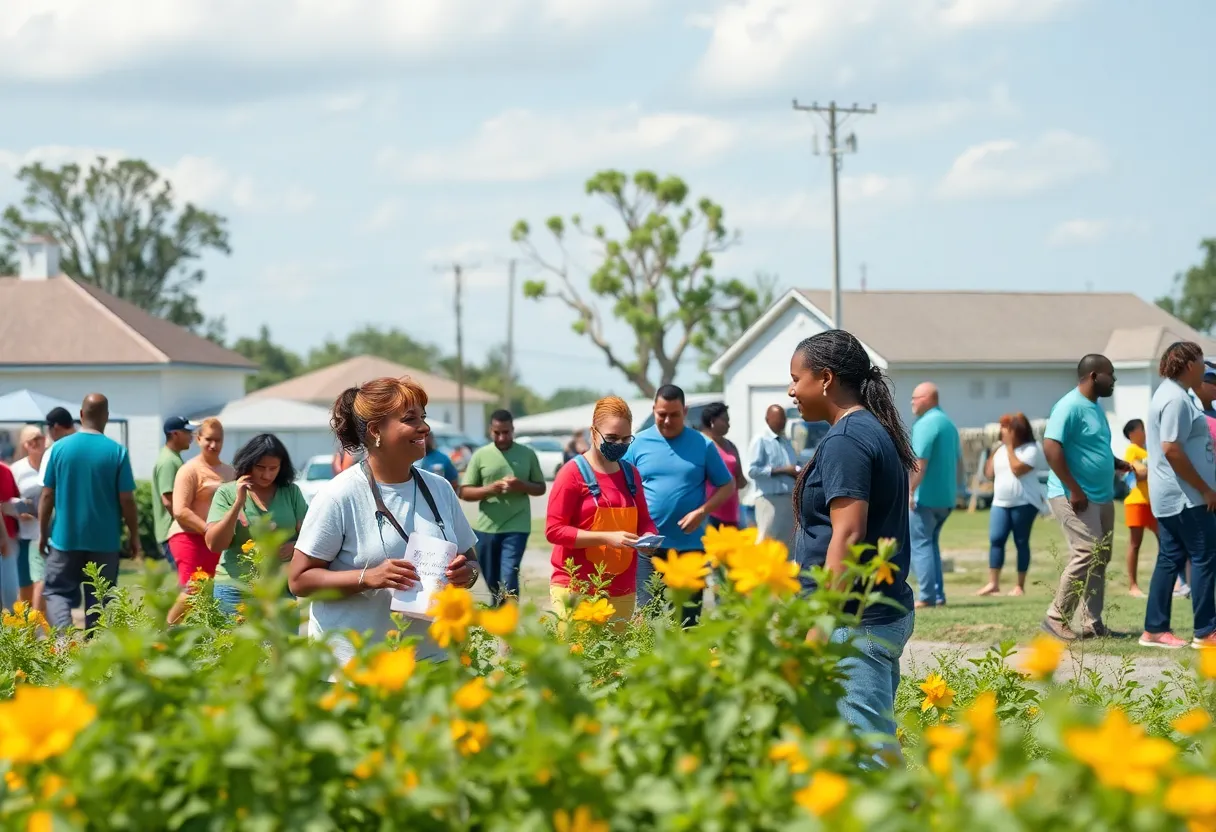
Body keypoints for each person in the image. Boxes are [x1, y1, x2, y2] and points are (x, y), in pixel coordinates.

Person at [788, 330, 916, 763]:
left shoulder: (847, 440)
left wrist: (819, 626)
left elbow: (847, 534)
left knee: (872, 761)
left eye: (796, 378)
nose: (791, 391)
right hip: (872, 614)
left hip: (852, 620)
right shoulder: (869, 430)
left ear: (825, 379)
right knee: (858, 751)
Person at [290, 377, 479, 669]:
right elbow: (299, 580)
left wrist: (465, 574)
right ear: (376, 430)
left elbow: (472, 563)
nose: (424, 428)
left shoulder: (440, 489)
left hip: (431, 661)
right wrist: (368, 577)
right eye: (410, 419)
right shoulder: (339, 495)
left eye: (423, 418)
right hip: (355, 669)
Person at [623, 385, 735, 625]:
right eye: (661, 414)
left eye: (674, 414)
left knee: (687, 621)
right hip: (648, 548)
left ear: (684, 411)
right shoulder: (637, 444)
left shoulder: (702, 444)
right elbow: (619, 484)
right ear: (653, 409)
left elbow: (727, 485)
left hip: (690, 550)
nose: (666, 420)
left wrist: (702, 511)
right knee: (647, 618)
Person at [1040, 354, 1131, 641]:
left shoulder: (1095, 408)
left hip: (1102, 497)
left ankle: (1092, 622)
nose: (1114, 380)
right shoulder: (1069, 406)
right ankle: (1056, 618)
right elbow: (1052, 446)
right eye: (1110, 374)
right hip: (1074, 495)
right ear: (1093, 376)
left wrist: (1114, 462)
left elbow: (1093, 447)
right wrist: (1074, 489)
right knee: (1087, 552)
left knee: (1100, 557)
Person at [546, 396, 657, 624]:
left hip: (622, 590)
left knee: (616, 659)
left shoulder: (631, 474)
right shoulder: (572, 474)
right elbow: (554, 531)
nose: (619, 444)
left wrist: (649, 537)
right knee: (578, 657)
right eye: (612, 438)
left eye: (626, 439)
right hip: (577, 589)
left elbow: (645, 520)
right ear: (593, 432)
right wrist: (606, 537)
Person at [39, 394, 140, 631]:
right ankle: (95, 652)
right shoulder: (117, 452)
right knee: (101, 597)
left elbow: (47, 495)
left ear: (81, 415)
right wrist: (133, 535)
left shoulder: (59, 449)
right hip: (105, 541)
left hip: (65, 539)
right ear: (106, 416)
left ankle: (63, 639)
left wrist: (43, 533)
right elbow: (127, 500)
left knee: (57, 590)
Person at [1140, 342, 1216, 649]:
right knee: (1204, 557)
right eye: (1201, 362)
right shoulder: (1175, 399)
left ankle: (1155, 630)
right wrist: (1205, 488)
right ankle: (1206, 631)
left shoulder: (1173, 394)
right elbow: (1172, 448)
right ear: (1188, 366)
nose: (1205, 368)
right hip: (1186, 497)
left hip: (1172, 496)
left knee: (1170, 559)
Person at [205, 434, 308, 616]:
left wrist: (296, 547)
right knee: (235, 645)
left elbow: (312, 535)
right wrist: (238, 503)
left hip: (279, 590)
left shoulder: (291, 493)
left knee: (282, 644)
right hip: (235, 589)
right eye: (260, 467)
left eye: (273, 468)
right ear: (248, 463)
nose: (267, 474)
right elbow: (215, 544)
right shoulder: (226, 493)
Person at [459, 409, 546, 606]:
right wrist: (490, 489)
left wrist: (521, 485)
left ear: (512, 430)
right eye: (497, 432)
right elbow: (464, 492)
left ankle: (510, 615)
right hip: (486, 527)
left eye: (506, 432)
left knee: (509, 573)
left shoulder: (527, 454)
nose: (502, 437)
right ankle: (497, 611)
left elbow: (540, 488)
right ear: (491, 431)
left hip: (517, 526)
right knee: (490, 577)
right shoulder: (481, 455)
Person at [167, 419, 235, 623]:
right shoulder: (189, 470)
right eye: (208, 440)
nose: (213, 445)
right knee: (193, 589)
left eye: (218, 440)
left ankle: (208, 638)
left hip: (216, 542)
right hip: (188, 537)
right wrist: (208, 529)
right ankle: (166, 633)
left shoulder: (230, 472)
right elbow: (180, 510)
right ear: (198, 439)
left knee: (217, 591)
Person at [977, 413, 1046, 597]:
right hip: (1000, 502)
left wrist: (1008, 447)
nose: (1003, 432)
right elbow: (989, 473)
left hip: (1024, 502)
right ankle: (993, 583)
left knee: (1021, 541)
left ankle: (1019, 585)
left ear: (1017, 431)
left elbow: (1017, 470)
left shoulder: (1031, 448)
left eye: (1006, 428)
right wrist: (993, 450)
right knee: (996, 540)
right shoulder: (1000, 449)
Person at [908, 382, 961, 609]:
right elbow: (959, 462)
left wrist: (909, 489)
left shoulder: (926, 423)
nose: (912, 402)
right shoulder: (948, 423)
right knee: (931, 545)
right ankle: (938, 595)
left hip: (925, 496)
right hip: (946, 497)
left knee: (920, 544)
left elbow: (920, 463)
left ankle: (927, 596)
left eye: (915, 398)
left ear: (928, 398)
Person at [747, 404, 800, 550]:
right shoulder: (761, 440)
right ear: (767, 419)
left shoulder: (785, 440)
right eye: (778, 419)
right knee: (767, 541)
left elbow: (792, 465)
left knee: (786, 544)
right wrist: (783, 470)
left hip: (787, 498)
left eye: (784, 419)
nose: (782, 422)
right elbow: (752, 471)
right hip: (769, 500)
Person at [8, 426, 47, 610]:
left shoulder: (51, 463)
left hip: (49, 533)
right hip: (25, 534)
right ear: (24, 444)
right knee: (25, 585)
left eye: (39, 438)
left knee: (44, 583)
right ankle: (28, 632)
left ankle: (45, 628)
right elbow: (9, 498)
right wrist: (18, 511)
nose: (35, 443)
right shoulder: (17, 469)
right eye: (30, 440)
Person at [152, 416, 198, 569]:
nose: (191, 437)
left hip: (176, 531)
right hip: (174, 532)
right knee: (187, 584)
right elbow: (168, 500)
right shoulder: (168, 461)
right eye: (187, 432)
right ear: (175, 434)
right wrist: (190, 525)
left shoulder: (173, 458)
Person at [1121, 419, 1157, 598]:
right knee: (1135, 544)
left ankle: (1173, 583)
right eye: (1141, 429)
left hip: (1152, 502)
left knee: (1167, 543)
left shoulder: (1148, 451)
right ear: (1131, 434)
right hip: (1136, 501)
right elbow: (1137, 473)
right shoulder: (1132, 450)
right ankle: (1133, 585)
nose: (1145, 432)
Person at [700, 402, 747, 529]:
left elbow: (740, 480)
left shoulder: (730, 446)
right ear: (712, 421)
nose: (728, 424)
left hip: (732, 512)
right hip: (708, 514)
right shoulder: (701, 445)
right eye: (725, 420)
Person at [0, 461, 18, 610]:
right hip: (5, 540)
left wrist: (5, 540)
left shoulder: (5, 471)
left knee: (9, 597)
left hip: (8, 539)